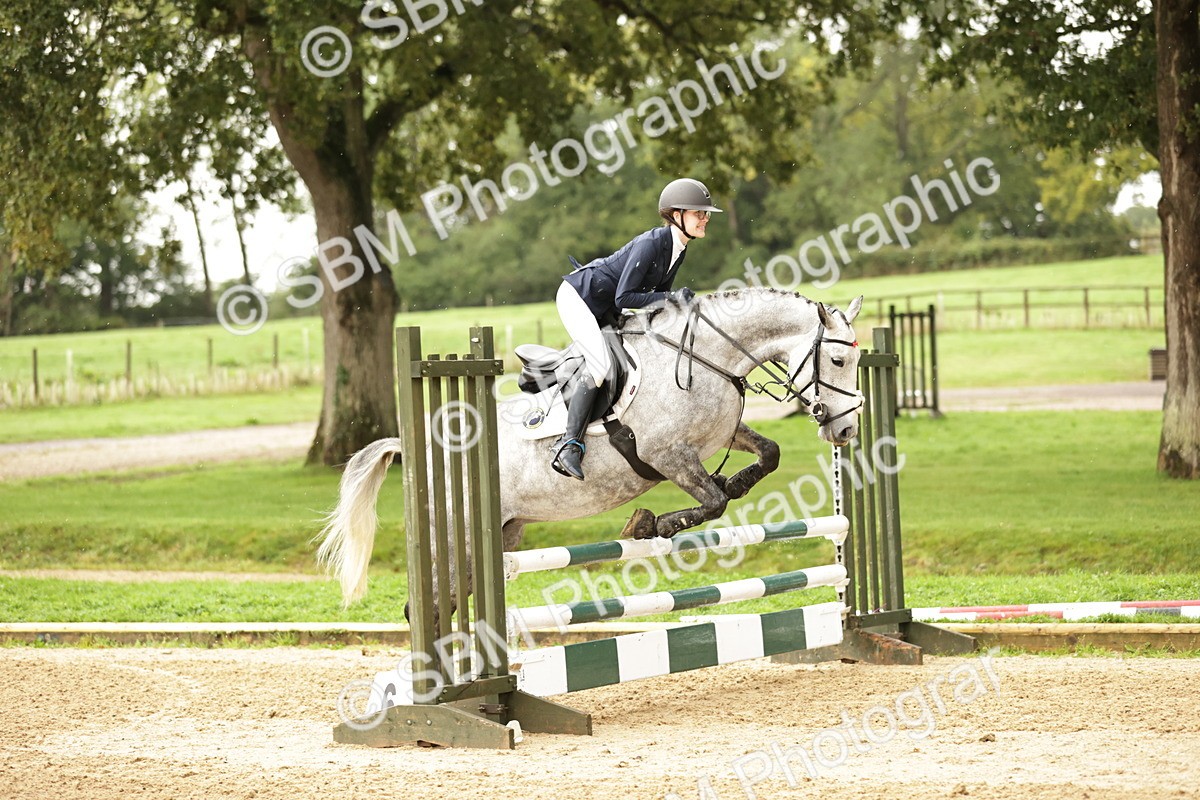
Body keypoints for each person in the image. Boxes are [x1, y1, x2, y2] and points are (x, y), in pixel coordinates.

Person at [551, 178, 722, 480]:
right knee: (601, 365)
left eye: (706, 214)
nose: (705, 218)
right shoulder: (651, 244)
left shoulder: (678, 249)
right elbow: (626, 297)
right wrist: (672, 297)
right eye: (699, 213)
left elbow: (655, 301)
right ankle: (569, 446)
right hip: (579, 299)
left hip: (606, 308)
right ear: (677, 215)